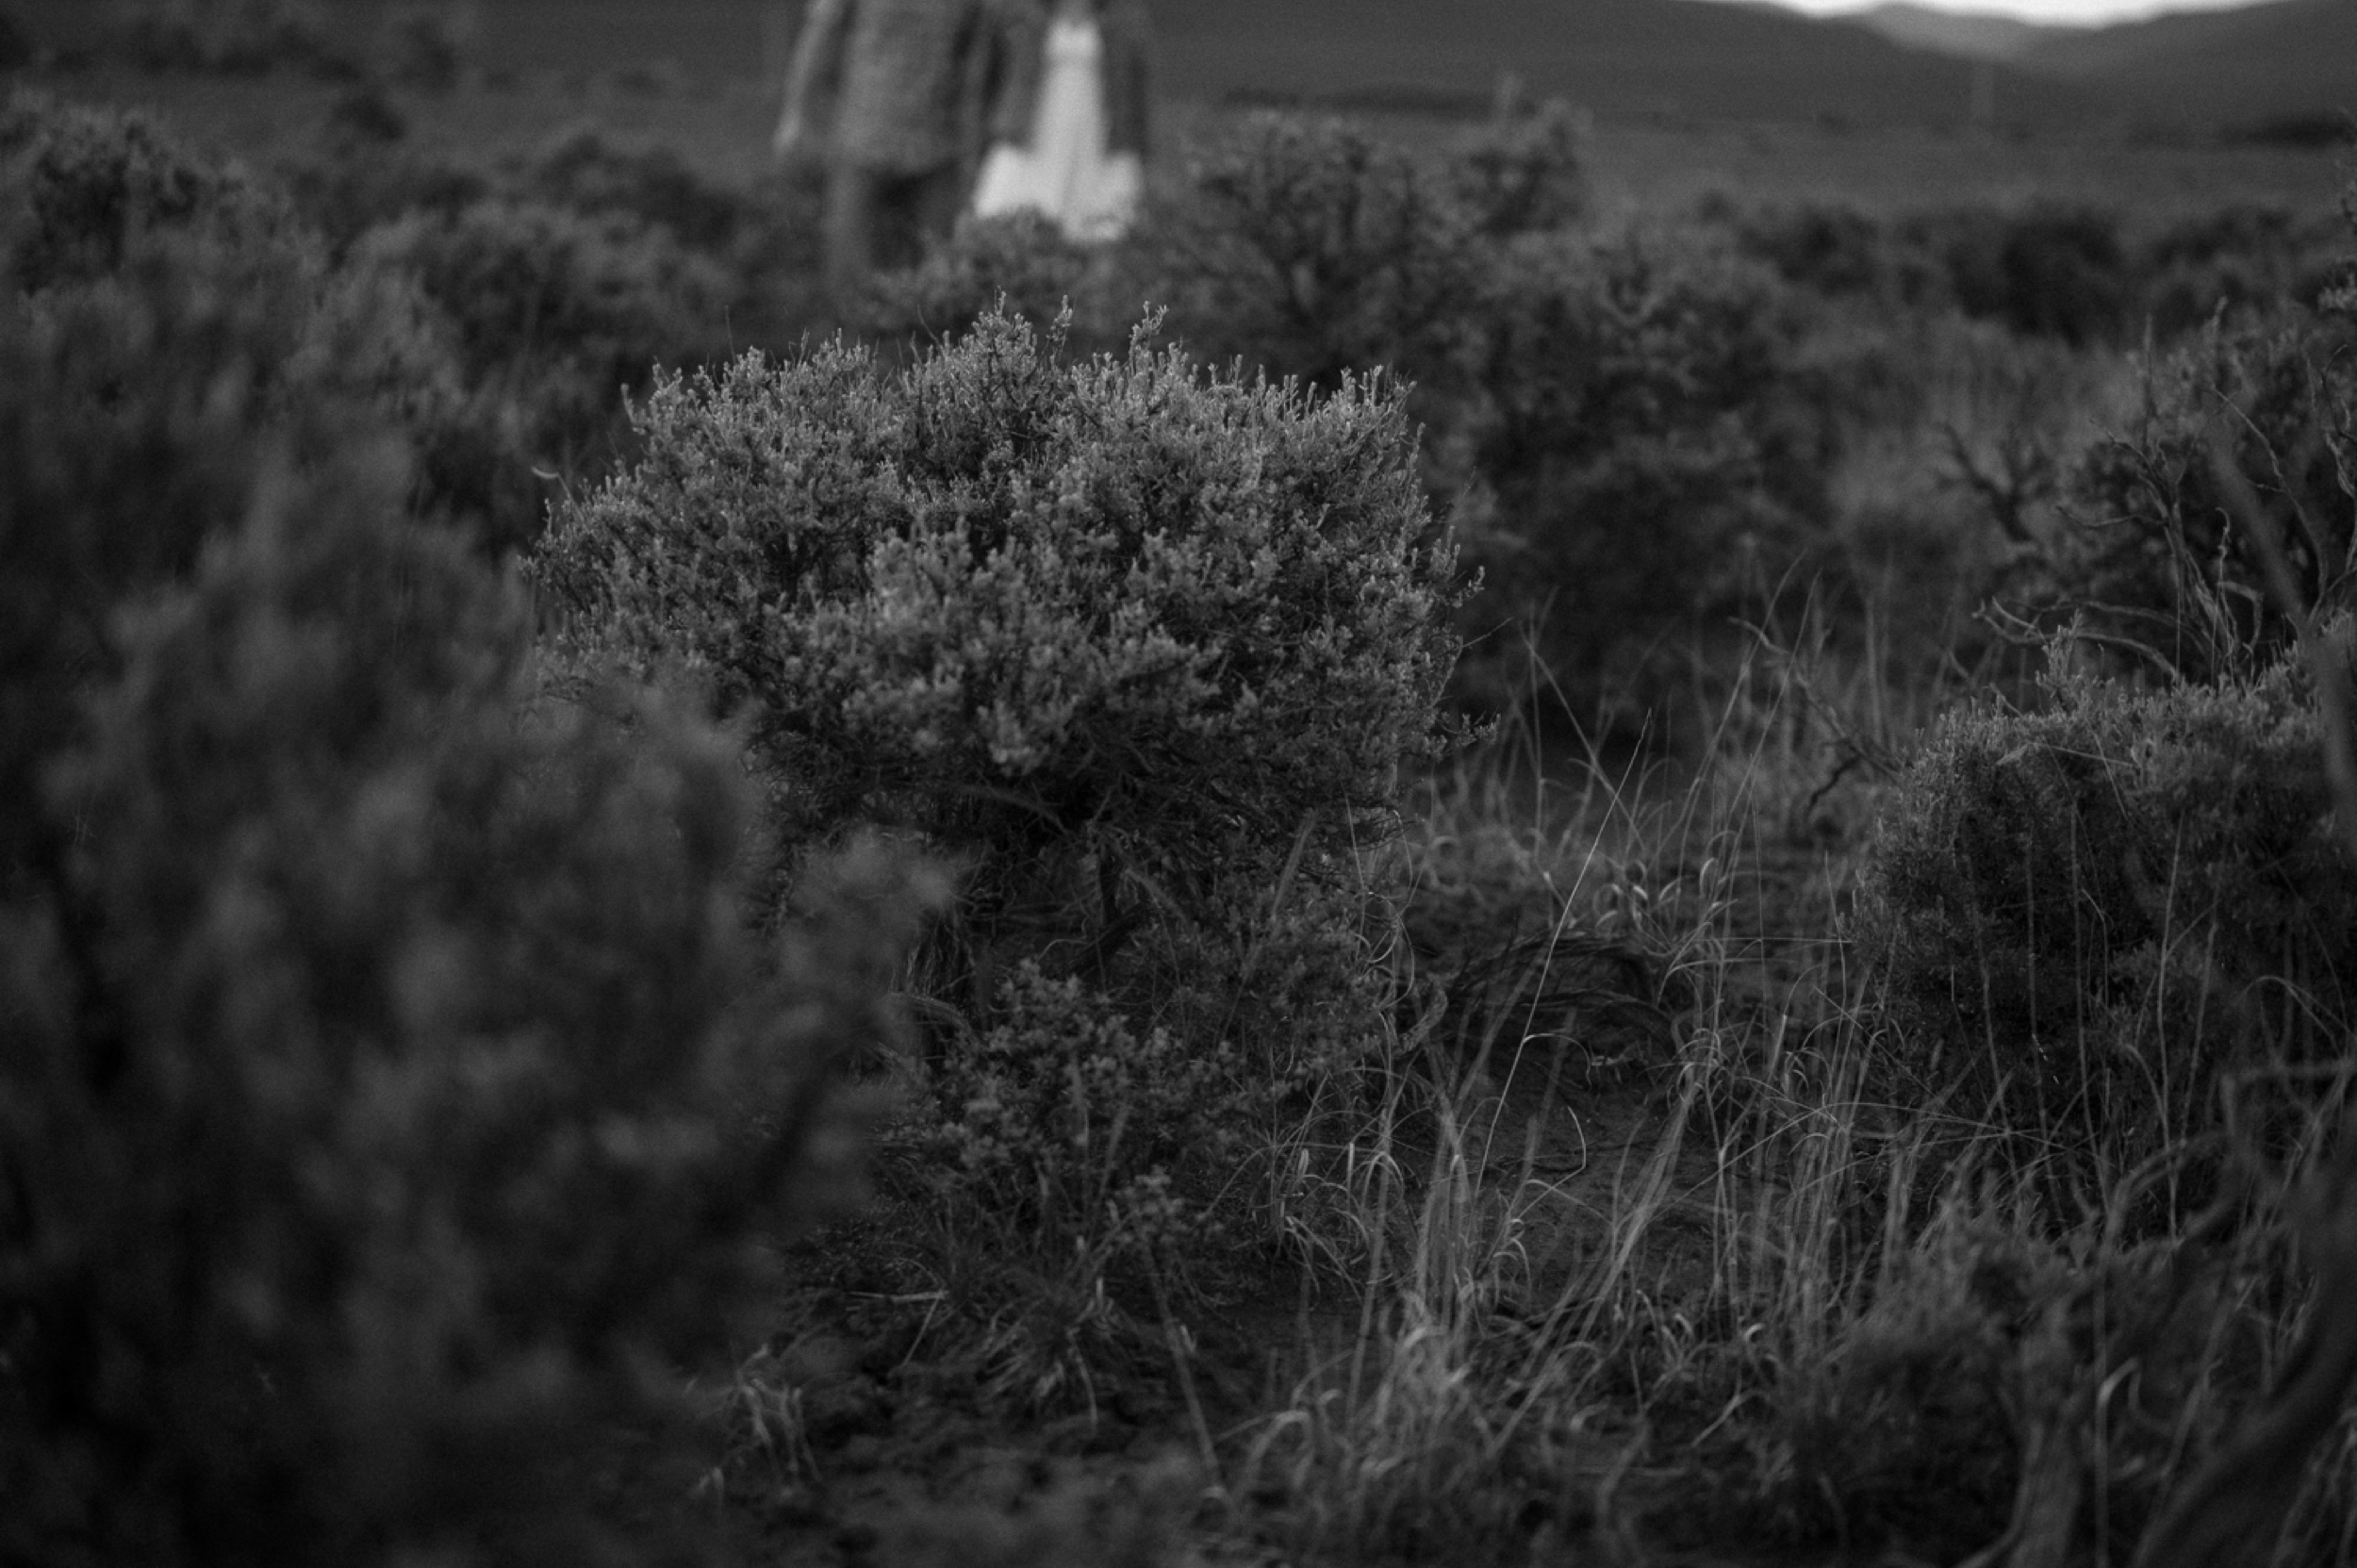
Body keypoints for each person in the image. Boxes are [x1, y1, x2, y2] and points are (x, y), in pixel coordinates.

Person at [772, 0, 1005, 293]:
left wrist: (975, 143)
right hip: (862, 139)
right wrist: (796, 114)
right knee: (848, 271)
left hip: (937, 145)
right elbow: (820, 36)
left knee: (942, 276)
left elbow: (982, 61)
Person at [968, 0, 1150, 243]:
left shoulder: (1122, 18)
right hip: (1033, 129)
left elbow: (1138, 86)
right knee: (1004, 217)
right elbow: (990, 73)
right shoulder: (1022, 12)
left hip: (1093, 133)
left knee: (1098, 227)